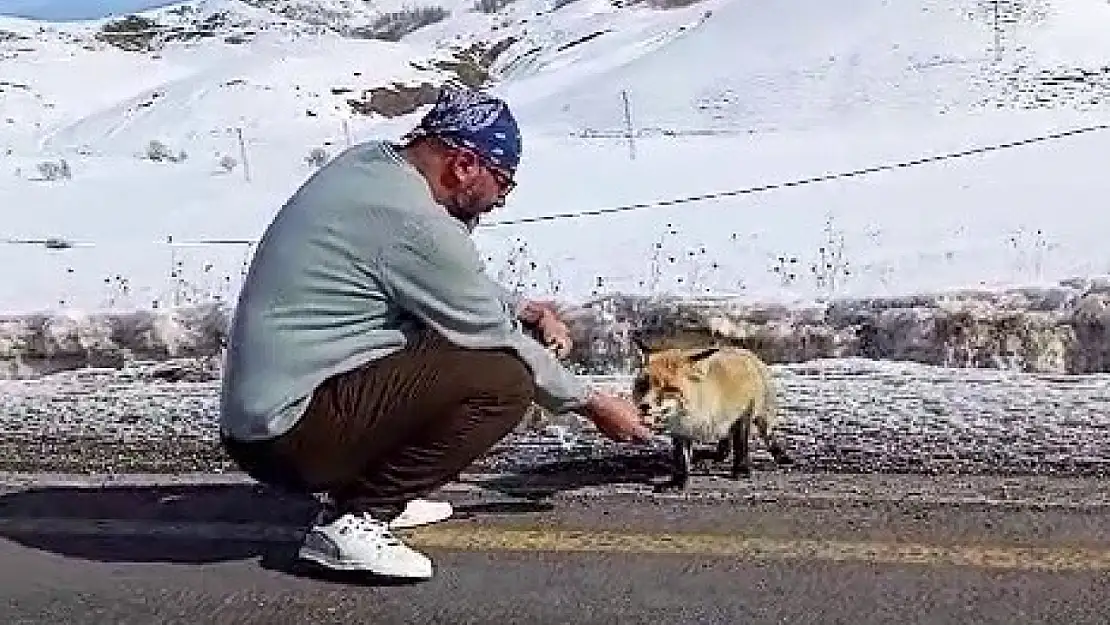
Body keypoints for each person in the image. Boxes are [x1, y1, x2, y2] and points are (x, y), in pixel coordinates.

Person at [218, 84, 652, 581]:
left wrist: (528, 309)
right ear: (464, 165)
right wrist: (594, 404)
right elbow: (493, 334)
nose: (500, 200)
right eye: (503, 183)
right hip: (285, 435)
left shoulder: (374, 168)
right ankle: (358, 520)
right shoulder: (414, 221)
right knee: (505, 378)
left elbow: (443, 280)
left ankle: (376, 491)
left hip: (269, 414)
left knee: (450, 342)